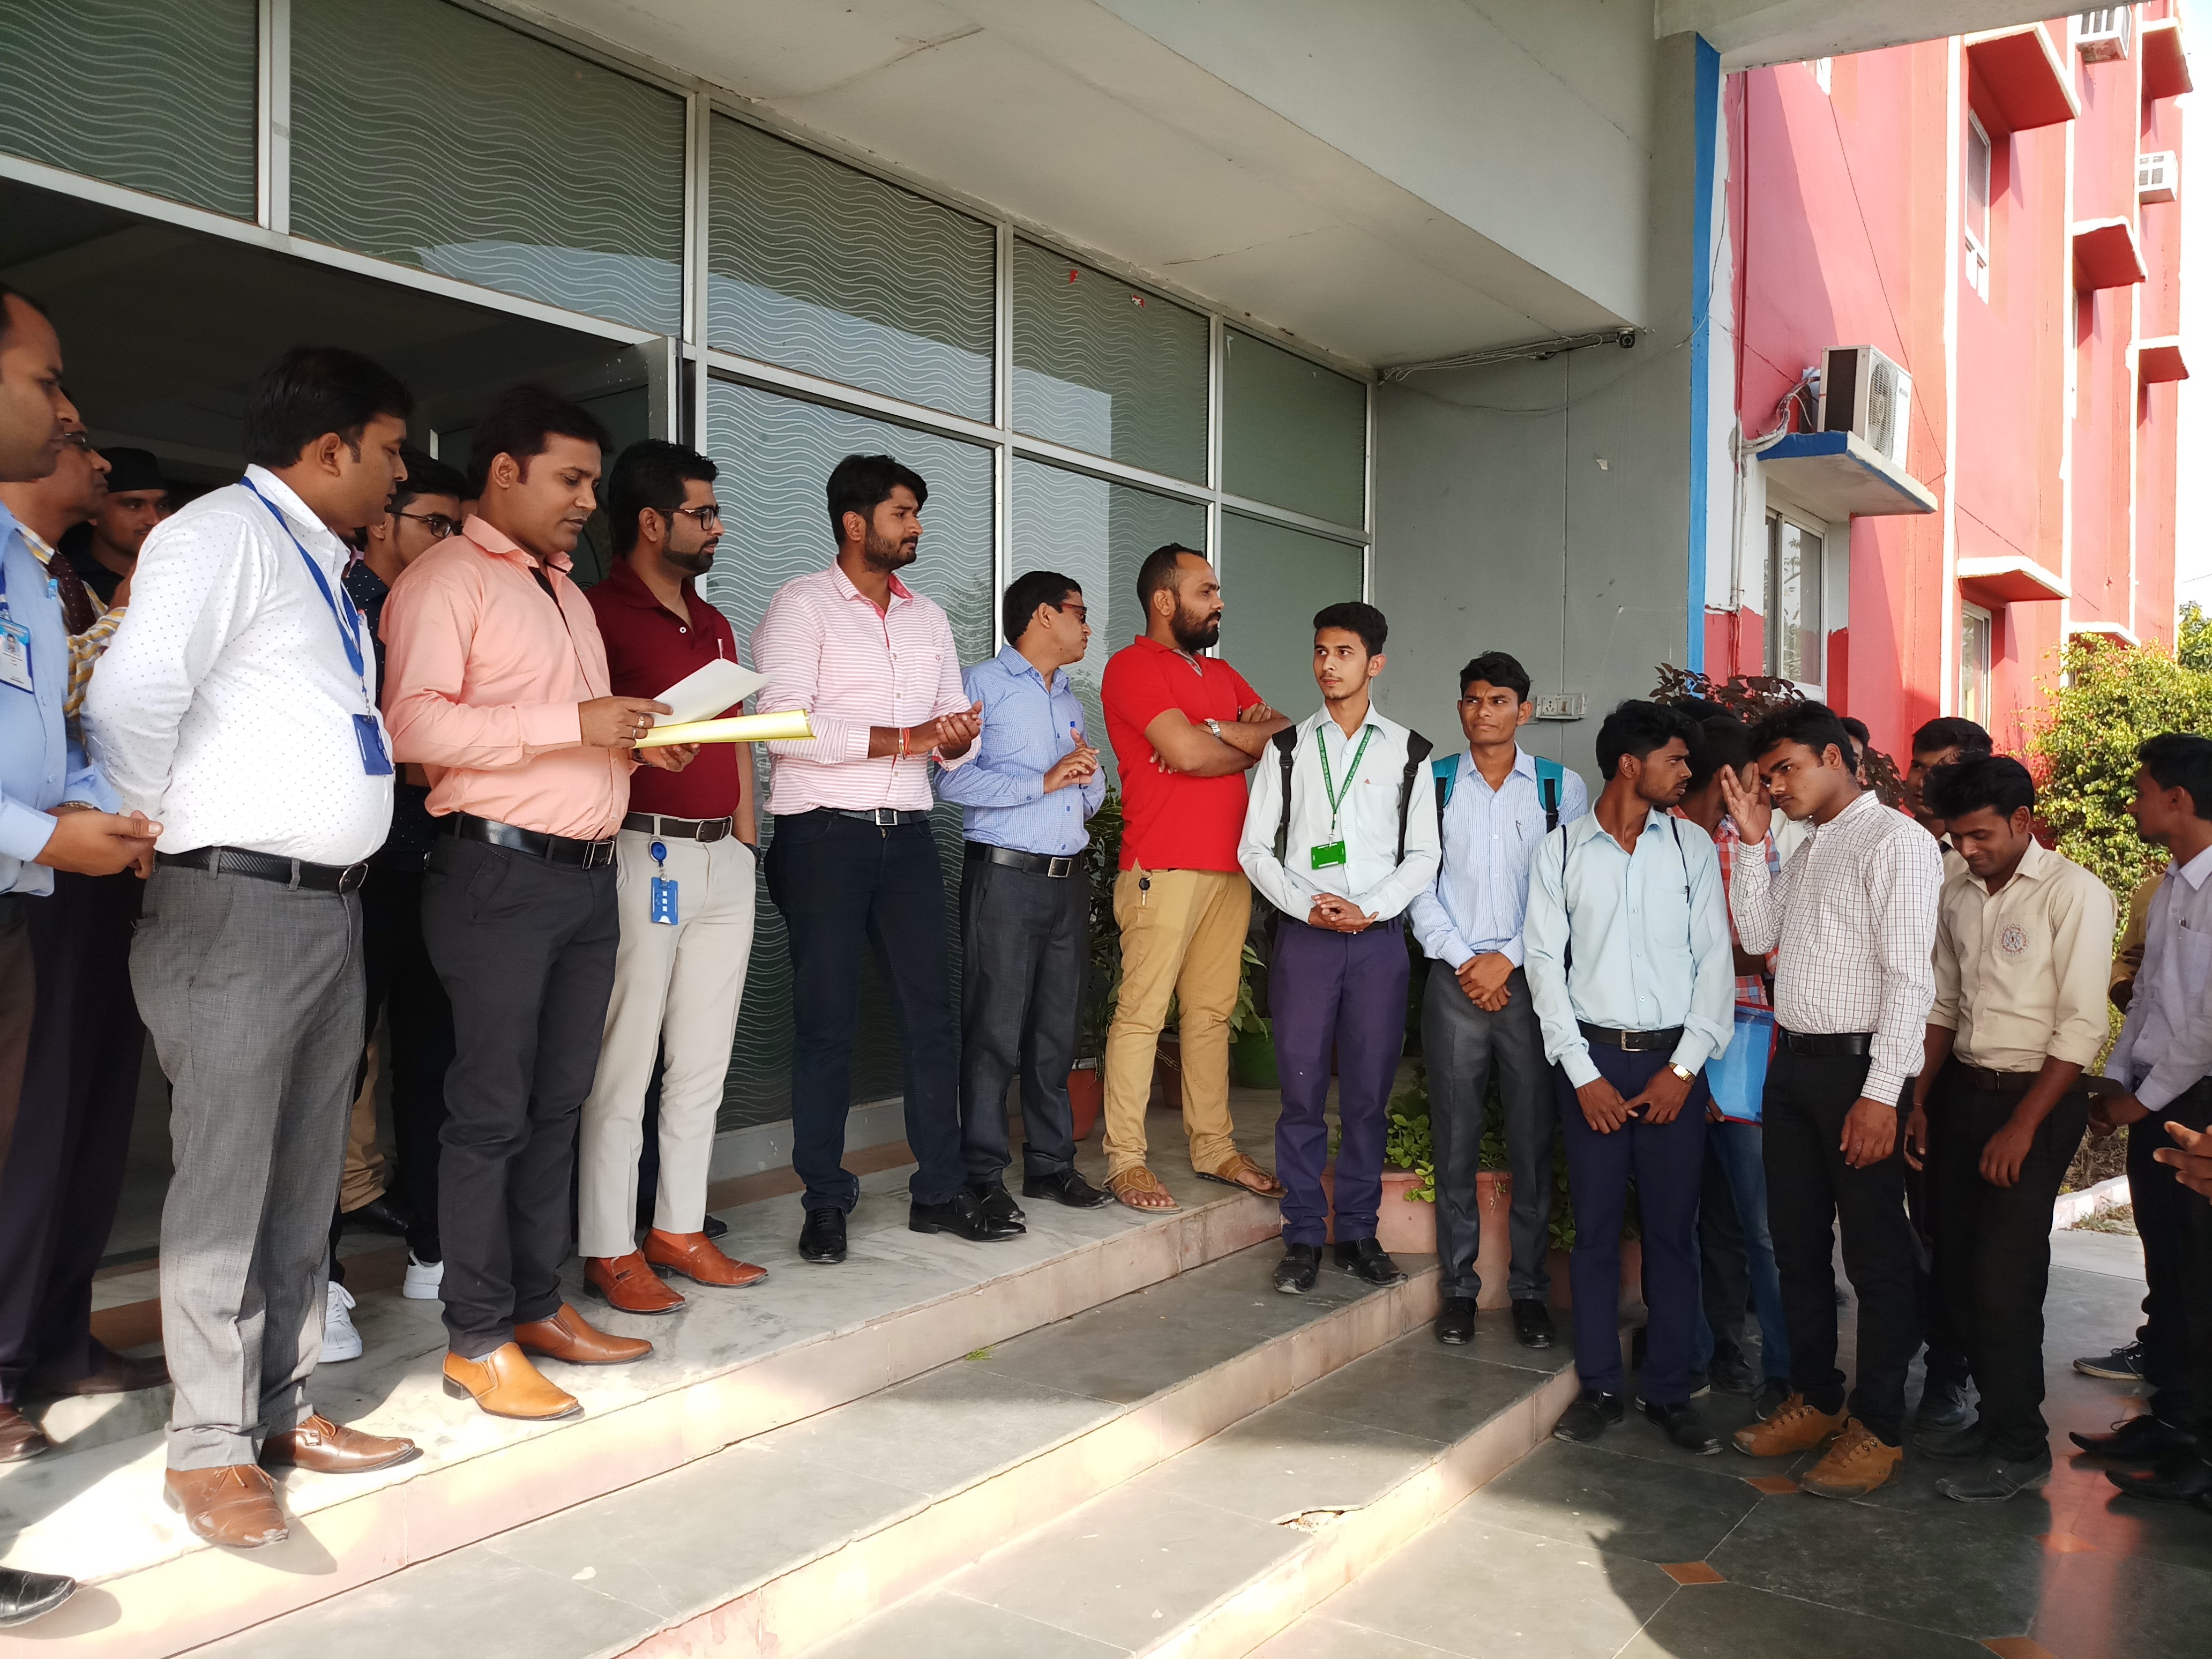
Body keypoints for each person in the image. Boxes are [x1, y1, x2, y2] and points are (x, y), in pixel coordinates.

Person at [84, 345, 422, 1548]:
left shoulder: (322, 567)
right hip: (231, 902)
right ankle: (209, 1449)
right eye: (388, 453)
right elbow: (131, 701)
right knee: (227, 1181)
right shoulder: (222, 533)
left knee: (300, 1175)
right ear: (328, 450)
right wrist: (152, 827)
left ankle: (279, 1410)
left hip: (328, 906)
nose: (397, 477)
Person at [384, 386, 690, 1419]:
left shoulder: (561, 591)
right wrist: (575, 721)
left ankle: (533, 1302)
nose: (585, 504)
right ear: (504, 471)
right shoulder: (447, 580)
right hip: (498, 876)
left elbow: (572, 731)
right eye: (570, 480)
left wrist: (634, 739)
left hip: (584, 877)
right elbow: (412, 725)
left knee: (557, 1102)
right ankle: (474, 1338)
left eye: (594, 485)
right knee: (491, 1109)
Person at [0, 278, 154, 1630]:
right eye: (51, 387)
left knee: (64, 1132)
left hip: (48, 876)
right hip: (31, 873)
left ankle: (41, 1344)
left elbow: (57, 745)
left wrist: (95, 804)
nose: (70, 419)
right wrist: (50, 835)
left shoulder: (28, 582)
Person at [751, 453, 1003, 1262]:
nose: (917, 527)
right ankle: (825, 1200)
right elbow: (782, 722)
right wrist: (906, 740)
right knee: (827, 1022)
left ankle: (938, 1192)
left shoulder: (927, 618)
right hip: (824, 833)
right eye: (903, 513)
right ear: (856, 523)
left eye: (916, 514)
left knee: (932, 1018)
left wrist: (957, 739)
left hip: (908, 834)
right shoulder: (801, 606)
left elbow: (945, 726)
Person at [1721, 701, 1941, 1499]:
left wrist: (1884, 1095)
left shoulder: (1899, 843)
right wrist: (1752, 844)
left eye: (1785, 770)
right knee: (1797, 1246)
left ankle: (1879, 1427)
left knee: (1876, 1257)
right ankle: (1815, 1398)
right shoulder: (1806, 846)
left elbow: (1911, 979)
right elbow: (1753, 933)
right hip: (1795, 1068)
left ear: (1835, 756)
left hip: (1860, 1073)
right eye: (1766, 776)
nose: (1774, 788)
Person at [578, 438, 767, 1310]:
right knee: (626, 1061)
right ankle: (608, 1246)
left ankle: (678, 1228)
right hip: (638, 849)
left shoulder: (716, 622)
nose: (717, 526)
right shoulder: (594, 614)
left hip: (719, 857)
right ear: (650, 521)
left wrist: (743, 840)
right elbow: (583, 733)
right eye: (703, 512)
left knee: (701, 1062)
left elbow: (731, 740)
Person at [1903, 755, 2113, 1501]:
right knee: (1956, 1267)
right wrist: (1921, 1100)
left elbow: (2083, 1023)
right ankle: (1991, 1424)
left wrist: (2023, 1128)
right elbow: (1943, 1005)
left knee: (2004, 1276)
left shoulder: (2075, 895)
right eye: (1957, 836)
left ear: (2024, 822)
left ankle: (2021, 1445)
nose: (1969, 850)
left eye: (1983, 835)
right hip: (1962, 1091)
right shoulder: (1956, 890)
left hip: (2038, 1099)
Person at [1526, 701, 1732, 1453]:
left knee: (1675, 1237)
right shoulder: (1561, 853)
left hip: (1675, 1064)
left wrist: (1685, 1068)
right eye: (1676, 760)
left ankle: (1671, 1392)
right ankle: (1602, 1386)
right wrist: (1582, 1074)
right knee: (1595, 1234)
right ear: (1628, 765)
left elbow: (1715, 963)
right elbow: (1545, 967)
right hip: (1594, 1063)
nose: (1688, 774)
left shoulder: (1693, 850)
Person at [1240, 603, 1439, 1293]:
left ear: (1374, 664)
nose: (1328, 664)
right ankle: (1302, 1237)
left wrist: (1368, 908)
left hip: (1378, 944)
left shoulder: (1411, 752)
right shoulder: (1288, 748)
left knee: (1366, 1097)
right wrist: (1308, 907)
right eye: (1321, 651)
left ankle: (1356, 1231)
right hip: (1306, 941)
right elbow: (1254, 848)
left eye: (1344, 653)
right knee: (1298, 1095)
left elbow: (1424, 855)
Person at [1096, 544, 1290, 1211]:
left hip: (1228, 867)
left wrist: (1214, 733)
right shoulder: (1129, 668)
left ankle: (1214, 1148)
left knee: (1209, 1018)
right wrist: (1238, 740)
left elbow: (1285, 734)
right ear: (1165, 601)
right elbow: (1182, 752)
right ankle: (1125, 1161)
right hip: (1162, 866)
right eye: (1207, 591)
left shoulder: (1220, 671)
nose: (1220, 603)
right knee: (1143, 1016)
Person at [1408, 649, 1588, 1348]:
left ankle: (1530, 1293)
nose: (1484, 712)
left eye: (1498, 700)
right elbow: (1416, 883)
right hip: (1454, 985)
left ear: (1525, 709)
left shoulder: (1556, 789)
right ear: (1460, 708)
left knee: (1531, 1143)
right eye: (1473, 700)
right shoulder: (1434, 783)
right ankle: (1459, 1290)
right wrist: (1465, 961)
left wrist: (1506, 960)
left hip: (1530, 984)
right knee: (1453, 1143)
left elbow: (1566, 890)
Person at [934, 569, 1110, 1216]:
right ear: (1042, 616)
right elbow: (949, 784)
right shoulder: (979, 687)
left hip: (1067, 884)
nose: (1087, 626)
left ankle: (1051, 1166)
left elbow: (1088, 791)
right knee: (993, 1033)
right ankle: (983, 1173)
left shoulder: (1069, 697)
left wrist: (1084, 778)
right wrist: (1041, 783)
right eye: (1079, 611)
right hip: (1004, 879)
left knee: (1055, 1036)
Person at [2070, 735, 2212, 1503]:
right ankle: (2171, 1418)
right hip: (2161, 1094)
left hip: (2198, 1104)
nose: (2134, 802)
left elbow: (2203, 1030)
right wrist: (2117, 1085)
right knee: (2168, 1268)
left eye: (2143, 788)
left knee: (2200, 1278)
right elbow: (2151, 1002)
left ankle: (2199, 1447)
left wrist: (2138, 1100)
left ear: (2179, 800)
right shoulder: (2172, 888)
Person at [340, 446, 467, 1305]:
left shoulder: (450, 611)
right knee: (336, 1071)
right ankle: (321, 1276)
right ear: (382, 520)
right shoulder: (347, 605)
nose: (451, 542)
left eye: (461, 529)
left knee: (436, 1064)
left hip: (441, 864)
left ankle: (432, 1242)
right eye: (435, 525)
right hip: (355, 870)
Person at [1671, 715, 1791, 1416]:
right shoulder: (1697, 848)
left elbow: (1765, 952)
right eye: (1759, 773)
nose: (1769, 785)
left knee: (1746, 1224)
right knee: (1711, 1221)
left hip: (1736, 1047)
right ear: (1733, 779)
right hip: (1702, 1050)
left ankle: (1758, 1358)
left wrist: (1724, 957)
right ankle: (1720, 1354)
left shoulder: (1747, 846)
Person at [1892, 716, 1990, 1433]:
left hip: (1961, 1072)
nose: (1922, 778)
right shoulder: (1901, 846)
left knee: (1957, 1232)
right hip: (1892, 1065)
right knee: (1904, 1229)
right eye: (1917, 764)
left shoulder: (1986, 863)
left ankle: (1950, 1373)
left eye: (1941, 765)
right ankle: (1905, 1352)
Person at [64, 445, 166, 606]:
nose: (155, 520)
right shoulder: (67, 580)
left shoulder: (185, 574)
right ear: (94, 512)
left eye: (162, 505)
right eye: (134, 505)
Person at [1902, 716, 1992, 838]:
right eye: (1917, 767)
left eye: (1940, 771)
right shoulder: (1890, 842)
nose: (1922, 783)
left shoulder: (1984, 853)